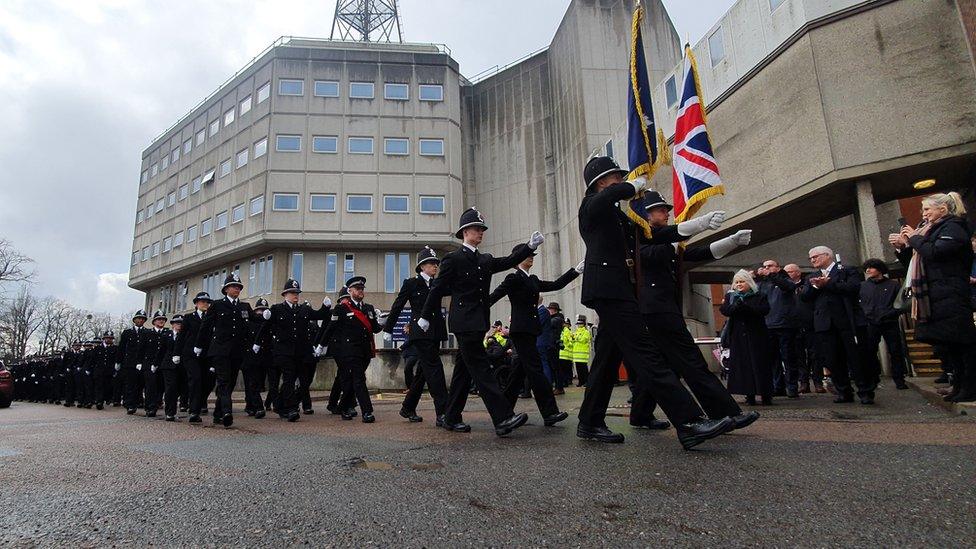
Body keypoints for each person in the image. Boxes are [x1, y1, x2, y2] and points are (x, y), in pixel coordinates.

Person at [575, 155, 735, 449]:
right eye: (616, 178)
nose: (622, 182)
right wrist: (630, 187)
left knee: (607, 361)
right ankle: (688, 422)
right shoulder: (591, 208)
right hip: (608, 289)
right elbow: (608, 197)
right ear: (600, 183)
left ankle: (589, 421)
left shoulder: (616, 214)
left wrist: (694, 226)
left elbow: (651, 234)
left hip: (619, 290)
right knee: (647, 353)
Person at [633, 190, 759, 428]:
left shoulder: (662, 243)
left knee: (659, 364)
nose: (666, 213)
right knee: (691, 360)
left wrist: (729, 241)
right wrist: (696, 226)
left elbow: (695, 253)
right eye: (660, 209)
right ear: (645, 216)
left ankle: (640, 414)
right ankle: (724, 412)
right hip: (655, 309)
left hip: (663, 308)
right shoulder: (637, 240)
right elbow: (652, 254)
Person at [418, 206, 542, 436]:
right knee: (482, 369)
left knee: (464, 372)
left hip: (478, 322)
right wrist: (425, 316)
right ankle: (503, 418)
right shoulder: (452, 260)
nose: (481, 232)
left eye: (482, 229)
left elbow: (507, 261)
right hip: (464, 323)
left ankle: (450, 416)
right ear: (465, 232)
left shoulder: (484, 259)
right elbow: (436, 290)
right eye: (477, 228)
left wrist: (529, 246)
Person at [890, 192, 976, 402]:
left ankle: (970, 387)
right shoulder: (931, 230)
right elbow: (916, 262)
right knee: (949, 344)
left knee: (963, 344)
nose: (924, 213)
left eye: (928, 209)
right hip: (937, 295)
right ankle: (957, 384)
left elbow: (936, 253)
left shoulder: (954, 227)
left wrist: (915, 238)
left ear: (942, 210)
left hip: (951, 293)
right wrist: (903, 248)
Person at [488, 245, 582, 426]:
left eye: (532, 255)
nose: (531, 257)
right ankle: (549, 412)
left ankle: (503, 411)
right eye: (527, 255)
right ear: (516, 258)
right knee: (536, 371)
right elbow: (495, 295)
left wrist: (575, 271)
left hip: (531, 331)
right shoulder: (513, 278)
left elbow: (556, 284)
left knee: (517, 374)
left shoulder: (532, 279)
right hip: (521, 331)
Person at [800, 246, 874, 404]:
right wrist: (815, 286)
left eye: (815, 256)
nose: (812, 260)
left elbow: (853, 288)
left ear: (827, 255)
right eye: (810, 258)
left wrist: (827, 284)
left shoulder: (847, 271)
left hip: (847, 321)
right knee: (833, 359)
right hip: (825, 324)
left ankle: (865, 391)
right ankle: (843, 391)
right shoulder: (812, 277)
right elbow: (805, 297)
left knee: (856, 358)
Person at [385, 246, 450, 425]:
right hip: (420, 333)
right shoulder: (411, 283)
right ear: (422, 266)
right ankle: (443, 414)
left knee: (423, 373)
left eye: (436, 263)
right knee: (435, 370)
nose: (435, 266)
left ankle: (408, 407)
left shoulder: (437, 283)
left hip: (435, 332)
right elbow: (398, 305)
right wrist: (388, 328)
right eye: (431, 263)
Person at [254, 280, 331, 422]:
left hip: (300, 352)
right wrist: (257, 342)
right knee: (288, 378)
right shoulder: (277, 309)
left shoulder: (304, 309)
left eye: (297, 293)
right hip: (283, 351)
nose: (295, 295)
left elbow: (319, 315)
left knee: (299, 381)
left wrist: (325, 307)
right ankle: (291, 409)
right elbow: (266, 326)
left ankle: (282, 406)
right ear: (285, 294)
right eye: (292, 293)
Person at [317, 276, 383, 422]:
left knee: (350, 380)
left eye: (362, 289)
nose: (360, 291)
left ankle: (344, 407)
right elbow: (330, 328)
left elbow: (375, 328)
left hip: (365, 351)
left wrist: (383, 323)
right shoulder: (342, 308)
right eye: (357, 289)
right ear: (350, 291)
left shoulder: (368, 308)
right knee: (359, 379)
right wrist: (321, 345)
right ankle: (367, 411)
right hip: (349, 350)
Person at [194, 273, 255, 428]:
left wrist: (267, 317)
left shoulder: (245, 307)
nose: (237, 289)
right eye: (234, 286)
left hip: (237, 351)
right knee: (223, 381)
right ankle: (227, 412)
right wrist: (199, 344)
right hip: (220, 350)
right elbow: (206, 326)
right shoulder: (217, 305)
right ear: (226, 289)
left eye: (239, 287)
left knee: (231, 382)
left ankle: (217, 413)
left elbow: (254, 323)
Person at [720, 270, 773, 405]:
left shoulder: (759, 295)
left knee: (760, 365)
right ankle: (749, 395)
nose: (739, 284)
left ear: (749, 282)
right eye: (737, 282)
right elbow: (725, 311)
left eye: (742, 281)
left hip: (757, 335)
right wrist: (736, 306)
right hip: (738, 337)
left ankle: (766, 395)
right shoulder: (731, 297)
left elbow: (764, 310)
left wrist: (746, 307)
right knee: (744, 367)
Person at [859, 258, 909, 390]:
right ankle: (873, 378)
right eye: (866, 268)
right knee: (870, 351)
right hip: (870, 323)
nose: (868, 270)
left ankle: (899, 379)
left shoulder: (893, 285)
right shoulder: (863, 286)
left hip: (889, 322)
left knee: (895, 351)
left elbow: (901, 303)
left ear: (880, 269)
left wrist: (891, 313)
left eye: (871, 267)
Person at [756, 259, 801, 398]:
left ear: (778, 267)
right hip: (768, 324)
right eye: (764, 266)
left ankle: (792, 387)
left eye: (770, 266)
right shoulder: (762, 284)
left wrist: (772, 275)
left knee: (788, 357)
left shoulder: (784, 279)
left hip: (785, 325)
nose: (766, 268)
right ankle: (778, 386)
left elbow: (787, 287)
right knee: (773, 358)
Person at [784, 264, 826, 394]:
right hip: (793, 325)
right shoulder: (784, 288)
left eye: (790, 272)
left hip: (810, 323)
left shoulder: (808, 284)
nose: (787, 275)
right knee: (799, 356)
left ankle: (818, 381)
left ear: (797, 273)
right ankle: (803, 382)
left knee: (815, 354)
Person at [243, 298, 272, 418]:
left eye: (264, 310)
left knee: (258, 384)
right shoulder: (249, 323)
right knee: (251, 383)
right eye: (260, 310)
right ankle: (256, 406)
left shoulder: (269, 324)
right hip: (249, 357)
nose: (262, 312)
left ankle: (251, 405)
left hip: (263, 358)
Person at [117, 310, 150, 415]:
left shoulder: (147, 332)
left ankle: (137, 402)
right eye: (139, 318)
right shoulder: (127, 332)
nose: (140, 320)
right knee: (130, 385)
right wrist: (118, 361)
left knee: (140, 384)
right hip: (129, 362)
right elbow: (121, 348)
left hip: (142, 363)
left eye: (142, 319)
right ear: (134, 320)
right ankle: (130, 405)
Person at [142, 310, 170, 418]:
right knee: (150, 386)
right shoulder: (147, 333)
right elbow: (142, 349)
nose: (161, 321)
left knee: (161, 385)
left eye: (163, 319)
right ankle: (150, 407)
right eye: (159, 319)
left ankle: (158, 402)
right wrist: (140, 362)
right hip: (149, 363)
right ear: (154, 321)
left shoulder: (168, 333)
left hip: (163, 363)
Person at [161, 315, 184, 421]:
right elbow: (161, 350)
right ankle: (170, 412)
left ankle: (175, 408)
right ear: (172, 324)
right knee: (170, 389)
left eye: (181, 323)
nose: (179, 325)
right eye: (177, 323)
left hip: (181, 366)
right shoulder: (166, 335)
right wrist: (156, 364)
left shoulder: (185, 335)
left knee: (179, 388)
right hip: (168, 365)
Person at [571, 316, 590, 387]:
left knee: (584, 369)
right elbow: (571, 339)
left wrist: (575, 338)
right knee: (578, 369)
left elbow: (583, 340)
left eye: (581, 324)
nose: (579, 325)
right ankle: (581, 381)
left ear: (584, 324)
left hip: (583, 354)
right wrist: (574, 338)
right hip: (576, 354)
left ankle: (587, 381)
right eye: (578, 324)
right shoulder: (576, 332)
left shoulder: (586, 332)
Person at [559, 319, 574, 385]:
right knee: (564, 368)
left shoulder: (568, 331)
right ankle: (566, 380)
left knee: (568, 367)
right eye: (565, 323)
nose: (565, 325)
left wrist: (566, 344)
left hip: (567, 353)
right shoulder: (562, 331)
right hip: (563, 353)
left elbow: (571, 342)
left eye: (567, 324)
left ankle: (568, 380)